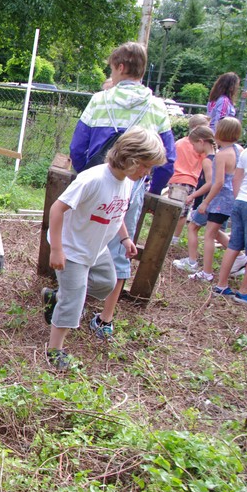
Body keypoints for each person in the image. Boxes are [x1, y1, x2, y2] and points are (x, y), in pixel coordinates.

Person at [68, 41, 176, 341]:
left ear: (120, 66)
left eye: (112, 68)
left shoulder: (101, 100)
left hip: (94, 182)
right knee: (120, 247)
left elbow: (78, 146)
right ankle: (106, 318)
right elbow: (168, 158)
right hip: (132, 188)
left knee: (80, 239)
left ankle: (71, 302)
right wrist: (151, 188)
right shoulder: (156, 106)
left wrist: (86, 175)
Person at [43, 127, 167, 369]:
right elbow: (57, 209)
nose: (147, 172)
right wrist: (57, 249)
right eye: (145, 166)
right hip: (73, 249)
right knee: (73, 300)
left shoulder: (127, 182)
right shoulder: (93, 179)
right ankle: (54, 349)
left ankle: (56, 297)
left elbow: (117, 212)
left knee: (106, 283)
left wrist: (125, 238)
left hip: (96, 248)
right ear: (130, 158)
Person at [187, 117, 245, 282]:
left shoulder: (221, 155)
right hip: (233, 197)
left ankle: (207, 272)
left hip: (220, 200)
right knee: (214, 231)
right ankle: (240, 257)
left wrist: (206, 202)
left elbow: (218, 182)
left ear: (220, 132)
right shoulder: (239, 149)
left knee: (209, 235)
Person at [213, 115, 247, 305]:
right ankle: (245, 291)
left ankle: (221, 285)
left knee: (234, 245)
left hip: (241, 202)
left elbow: (237, 179)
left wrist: (240, 198)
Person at [168, 122, 214, 246]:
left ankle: (170, 236)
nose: (193, 148)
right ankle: (173, 238)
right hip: (189, 181)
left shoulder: (179, 143)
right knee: (181, 213)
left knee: (174, 211)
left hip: (176, 178)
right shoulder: (206, 154)